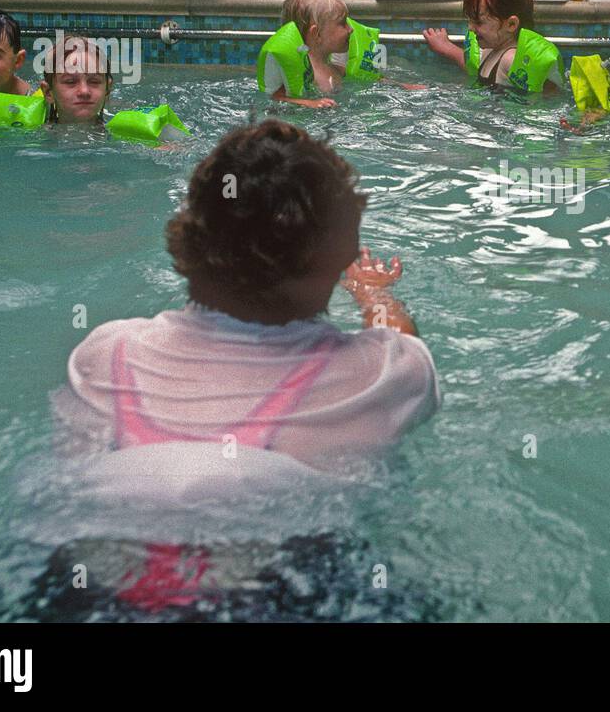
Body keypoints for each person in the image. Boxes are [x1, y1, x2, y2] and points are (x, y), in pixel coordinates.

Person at [54, 119, 440, 469]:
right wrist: (373, 294)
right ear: (341, 253)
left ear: (189, 237)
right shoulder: (381, 375)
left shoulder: (106, 357)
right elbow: (400, 338)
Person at [421, 0, 561, 92]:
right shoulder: (491, 49)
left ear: (511, 25)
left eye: (478, 22)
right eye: (469, 20)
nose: (470, 27)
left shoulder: (510, 60)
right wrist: (446, 48)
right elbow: (475, 70)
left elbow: (545, 94)